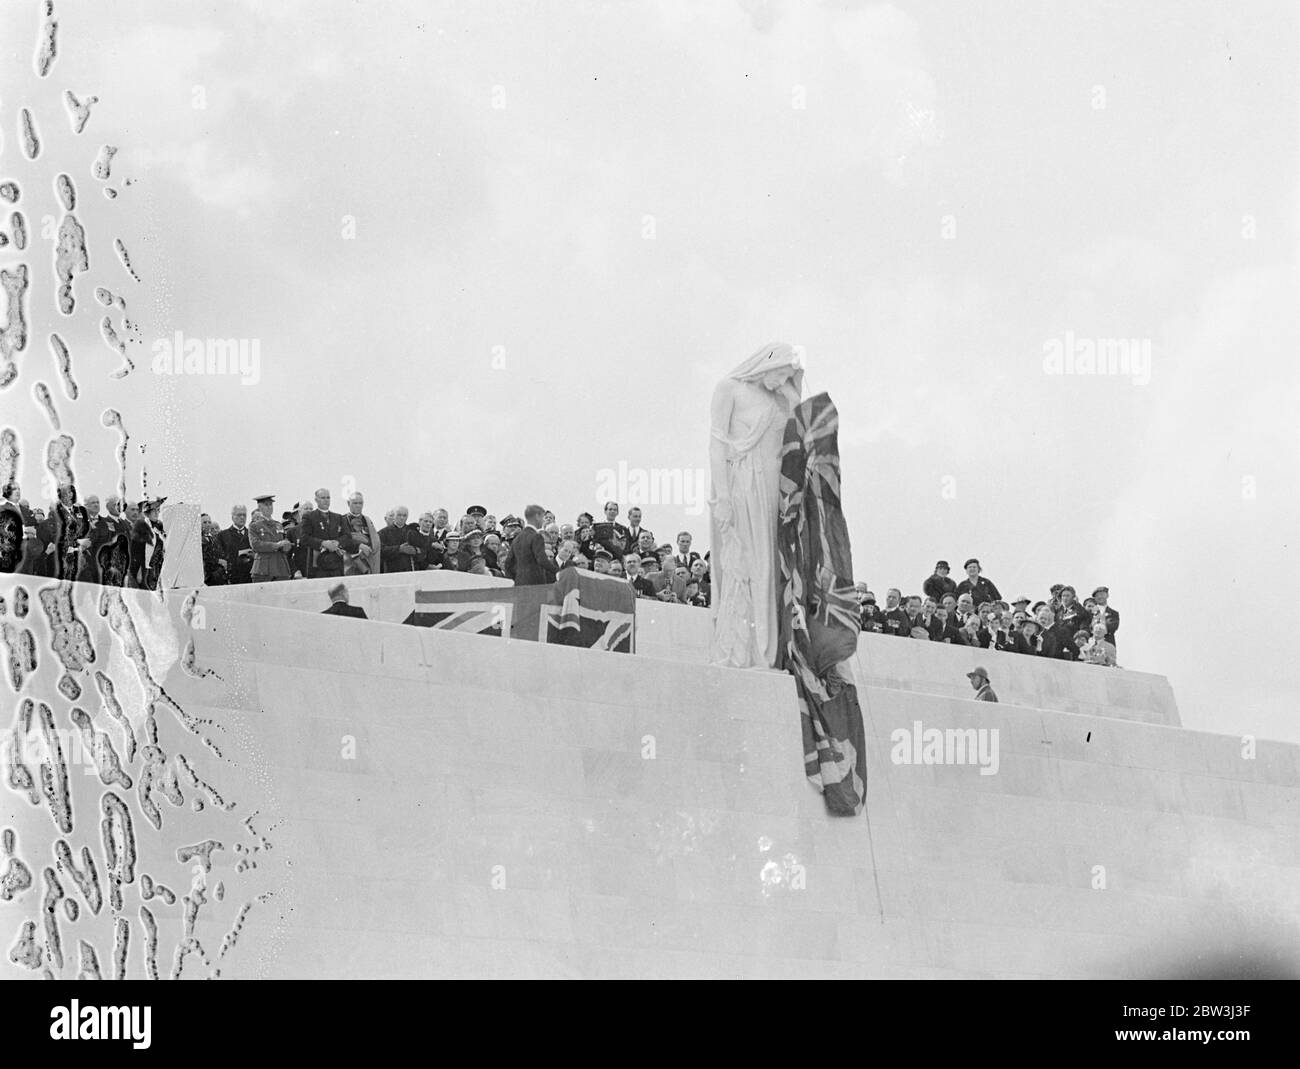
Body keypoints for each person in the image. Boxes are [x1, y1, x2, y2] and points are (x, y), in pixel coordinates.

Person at [708, 344, 804, 666]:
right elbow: (717, 443)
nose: (781, 383)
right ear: (766, 365)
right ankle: (744, 650)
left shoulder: (780, 399)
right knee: (749, 565)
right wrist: (722, 496)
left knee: (771, 566)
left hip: (773, 489)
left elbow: (802, 432)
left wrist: (793, 388)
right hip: (743, 485)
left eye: (787, 378)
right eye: (780, 375)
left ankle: (769, 651)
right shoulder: (729, 388)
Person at [300, 488, 354, 579]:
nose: (326, 500)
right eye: (323, 498)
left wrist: (337, 542)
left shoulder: (338, 517)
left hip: (336, 563)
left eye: (328, 498)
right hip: (317, 564)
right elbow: (304, 537)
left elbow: (347, 536)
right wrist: (323, 543)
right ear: (316, 500)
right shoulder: (309, 517)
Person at [505, 504, 558, 586]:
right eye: (543, 517)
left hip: (519, 584)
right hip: (536, 585)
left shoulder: (517, 539)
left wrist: (515, 579)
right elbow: (542, 560)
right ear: (537, 516)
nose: (543, 521)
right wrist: (559, 572)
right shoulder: (536, 536)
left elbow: (508, 564)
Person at [249, 493, 293, 581]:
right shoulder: (254, 526)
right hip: (263, 568)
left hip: (280, 567)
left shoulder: (278, 525)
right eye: (266, 505)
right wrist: (277, 545)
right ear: (260, 507)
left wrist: (286, 546)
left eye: (271, 504)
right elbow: (255, 544)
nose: (269, 507)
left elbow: (284, 543)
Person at [343, 492, 381, 576]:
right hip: (350, 562)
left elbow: (375, 540)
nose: (358, 505)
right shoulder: (342, 520)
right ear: (348, 503)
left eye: (360, 503)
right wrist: (359, 545)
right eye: (355, 503)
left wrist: (369, 547)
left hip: (368, 559)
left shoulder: (367, 520)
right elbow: (343, 541)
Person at [218, 504, 254, 584]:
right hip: (233, 575)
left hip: (250, 575)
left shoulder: (251, 534)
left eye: (244, 515)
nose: (242, 517)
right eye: (239, 515)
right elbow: (220, 555)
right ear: (232, 517)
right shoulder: (223, 535)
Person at [0, 481, 22, 573]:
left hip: (22, 553)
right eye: (14, 489)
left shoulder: (24, 509)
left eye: (19, 489)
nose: (17, 491)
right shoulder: (2, 509)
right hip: (6, 554)